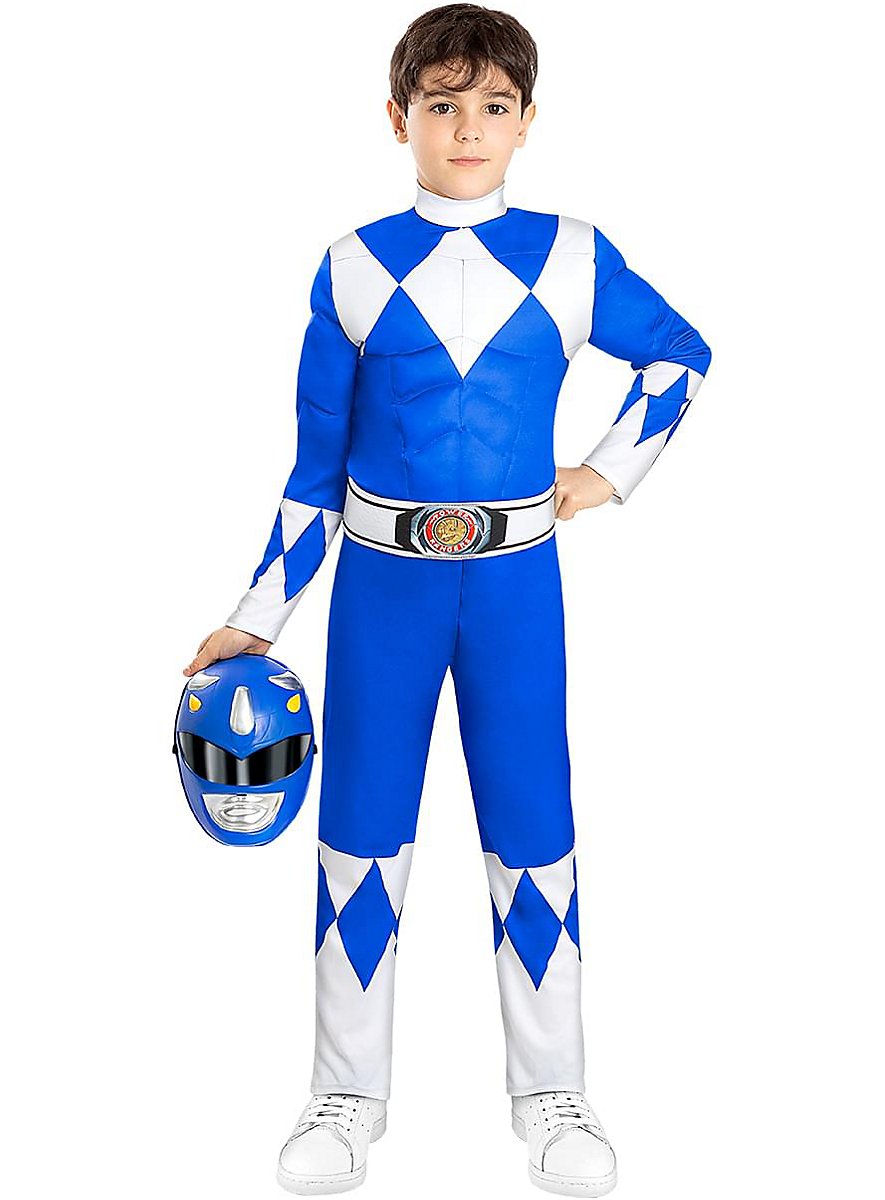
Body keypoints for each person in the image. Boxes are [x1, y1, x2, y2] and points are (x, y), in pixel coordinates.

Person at [183, 5, 711, 1194]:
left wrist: (605, 474)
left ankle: (552, 1095)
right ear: (398, 118)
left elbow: (682, 357)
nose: (467, 127)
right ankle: (346, 1095)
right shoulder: (352, 264)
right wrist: (257, 616)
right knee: (360, 828)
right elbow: (315, 471)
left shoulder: (574, 254)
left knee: (534, 827)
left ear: (527, 121)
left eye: (492, 105)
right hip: (384, 590)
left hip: (519, 584)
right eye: (441, 103)